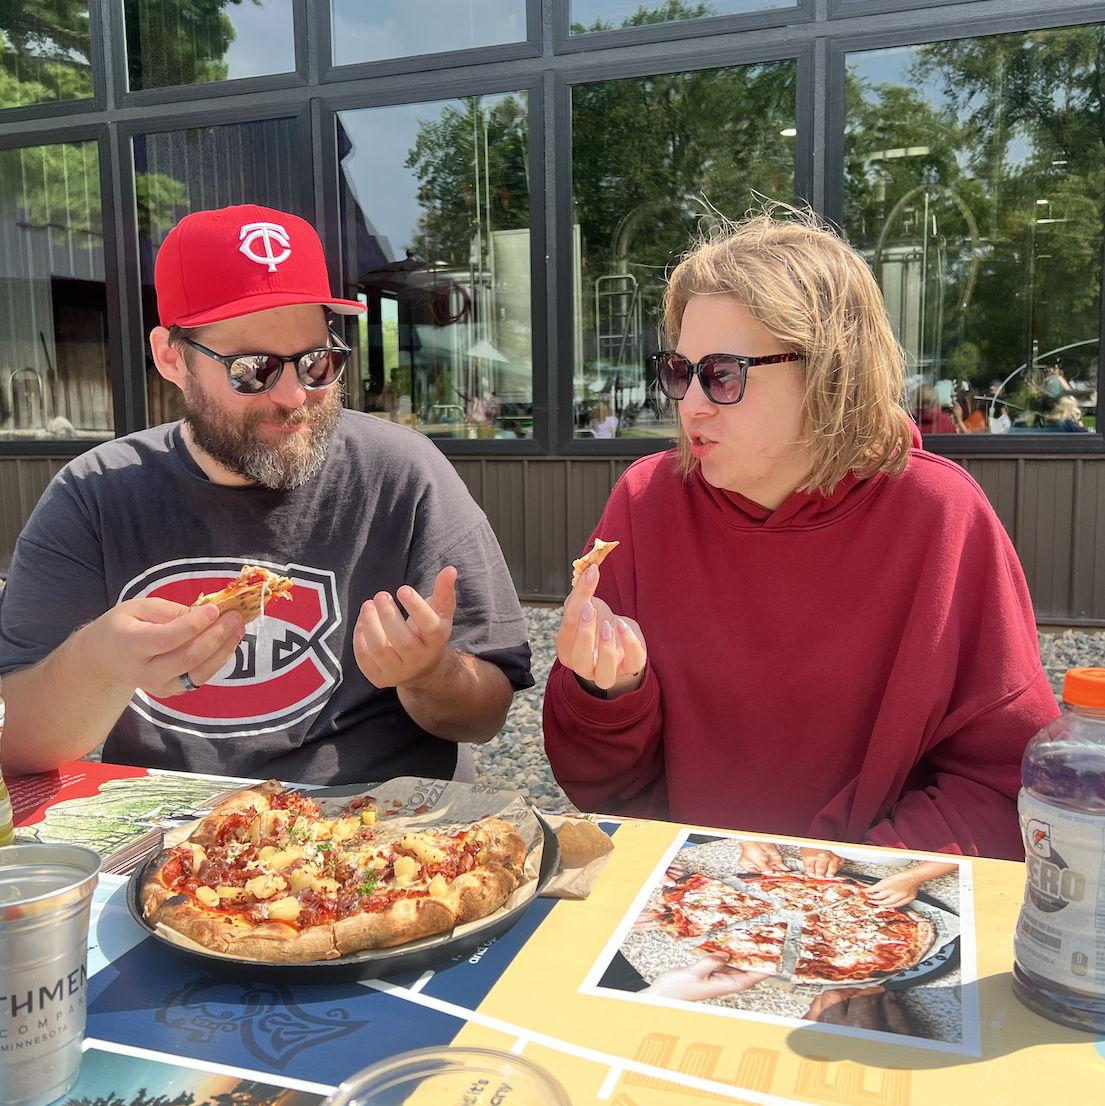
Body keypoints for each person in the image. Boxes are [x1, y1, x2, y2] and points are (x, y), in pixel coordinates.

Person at [542, 208, 1058, 860]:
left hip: (882, 918)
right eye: (679, 370)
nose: (689, 403)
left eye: (722, 374)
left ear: (827, 374)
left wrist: (837, 889)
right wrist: (606, 695)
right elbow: (598, 788)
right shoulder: (645, 503)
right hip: (687, 902)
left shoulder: (940, 516)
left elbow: (1004, 780)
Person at [0, 204, 532, 785]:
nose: (293, 396)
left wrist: (430, 675)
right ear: (171, 358)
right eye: (252, 369)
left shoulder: (404, 474)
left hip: (385, 834)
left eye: (316, 362)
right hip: (183, 843)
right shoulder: (95, 495)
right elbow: (20, 747)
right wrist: (93, 663)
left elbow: (485, 715)